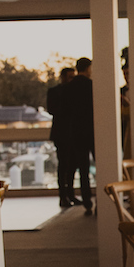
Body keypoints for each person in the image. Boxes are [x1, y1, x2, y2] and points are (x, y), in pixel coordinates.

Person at [58, 57, 94, 214]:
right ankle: (101, 201)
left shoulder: (67, 88)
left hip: (76, 133)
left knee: (83, 169)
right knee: (98, 166)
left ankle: (87, 202)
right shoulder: (92, 86)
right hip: (92, 131)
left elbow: (64, 112)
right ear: (88, 68)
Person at [47, 66, 76, 208]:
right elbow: (52, 109)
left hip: (74, 132)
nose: (72, 80)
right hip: (61, 133)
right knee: (63, 165)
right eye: (70, 77)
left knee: (72, 166)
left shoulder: (75, 92)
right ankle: (62, 196)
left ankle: (71, 194)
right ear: (63, 77)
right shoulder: (54, 92)